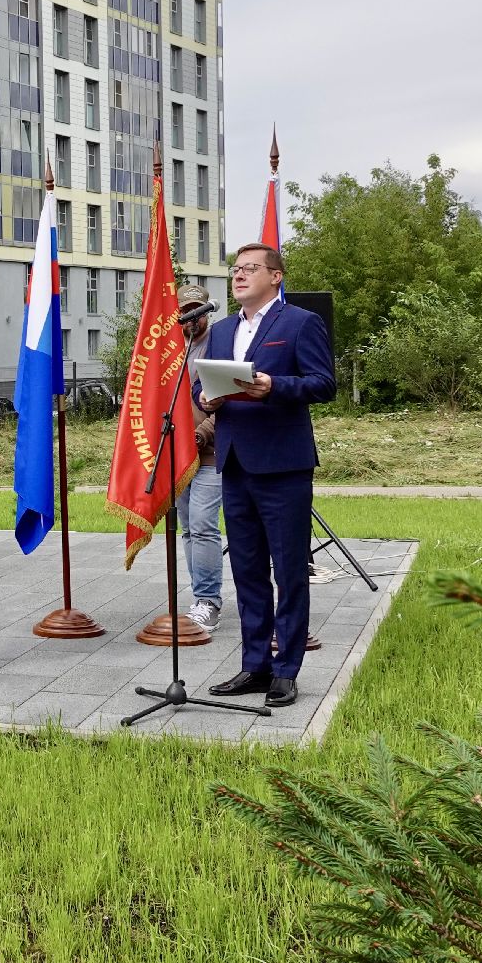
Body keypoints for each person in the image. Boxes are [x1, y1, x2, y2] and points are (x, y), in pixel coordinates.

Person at [198, 244, 335, 708]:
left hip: (283, 465)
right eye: (235, 269)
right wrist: (206, 399)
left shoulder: (299, 323)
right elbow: (201, 387)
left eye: (249, 269)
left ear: (276, 276)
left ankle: (286, 670)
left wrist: (274, 386)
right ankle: (254, 665)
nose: (238, 276)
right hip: (234, 462)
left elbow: (323, 384)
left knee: (290, 570)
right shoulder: (221, 330)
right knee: (248, 570)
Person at [175, 283, 224, 633]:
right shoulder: (168, 351)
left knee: (204, 525)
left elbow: (228, 400)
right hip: (176, 456)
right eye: (185, 310)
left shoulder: (220, 346)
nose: (192, 317)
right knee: (189, 529)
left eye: (198, 310)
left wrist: (201, 434)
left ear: (207, 311)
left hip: (209, 453)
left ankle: (208, 601)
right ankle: (199, 599)